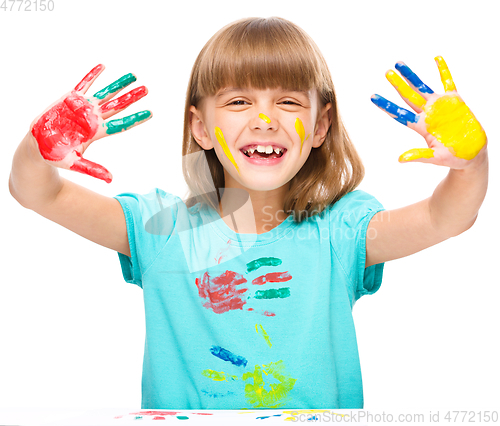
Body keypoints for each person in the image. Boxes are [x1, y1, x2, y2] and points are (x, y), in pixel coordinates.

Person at [9, 17, 488, 410]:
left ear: (321, 126)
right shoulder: (162, 229)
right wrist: (39, 149)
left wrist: (470, 164)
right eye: (239, 101)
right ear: (201, 127)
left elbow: (447, 217)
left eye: (288, 101)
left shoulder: (340, 231)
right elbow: (37, 194)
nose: (265, 118)